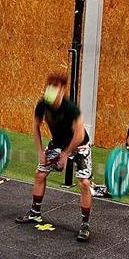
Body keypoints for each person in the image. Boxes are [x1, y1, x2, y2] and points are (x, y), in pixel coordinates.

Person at [19, 72, 93, 241]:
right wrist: (40, 152)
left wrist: (66, 155)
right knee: (40, 174)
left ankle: (85, 225)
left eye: (55, 87)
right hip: (57, 144)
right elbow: (35, 127)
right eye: (49, 86)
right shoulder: (43, 104)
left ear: (62, 90)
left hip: (79, 145)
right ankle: (35, 212)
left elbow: (79, 135)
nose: (51, 90)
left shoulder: (71, 109)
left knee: (84, 183)